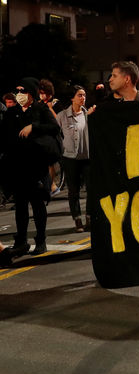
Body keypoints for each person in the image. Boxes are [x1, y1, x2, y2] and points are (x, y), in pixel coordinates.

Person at [0, 77, 62, 256]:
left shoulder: (41, 109)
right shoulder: (12, 112)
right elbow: (4, 135)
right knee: (20, 205)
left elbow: (54, 128)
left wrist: (33, 127)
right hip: (18, 165)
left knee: (37, 204)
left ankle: (41, 241)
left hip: (36, 165)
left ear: (31, 93)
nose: (19, 95)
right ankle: (21, 241)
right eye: (17, 91)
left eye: (23, 91)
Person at [56, 86, 92, 232]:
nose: (83, 98)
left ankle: (89, 217)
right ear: (72, 98)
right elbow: (55, 134)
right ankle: (77, 219)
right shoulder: (62, 116)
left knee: (91, 188)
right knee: (74, 190)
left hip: (87, 157)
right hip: (70, 157)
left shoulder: (88, 114)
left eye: (84, 95)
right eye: (79, 95)